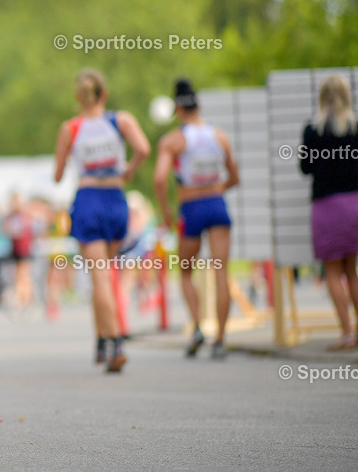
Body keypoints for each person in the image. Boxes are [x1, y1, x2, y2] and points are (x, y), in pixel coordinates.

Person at [54, 69, 150, 372]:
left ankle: (114, 341)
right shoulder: (120, 120)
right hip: (116, 201)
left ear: (77, 98)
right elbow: (144, 149)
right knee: (106, 275)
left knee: (100, 277)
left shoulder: (71, 127)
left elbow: (57, 176)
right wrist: (128, 170)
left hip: (89, 200)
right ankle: (101, 339)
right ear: (103, 94)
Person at [154, 79, 240, 359]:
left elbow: (158, 178)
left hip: (191, 208)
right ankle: (221, 339)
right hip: (217, 205)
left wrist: (166, 211)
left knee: (186, 273)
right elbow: (235, 177)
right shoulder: (220, 136)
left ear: (177, 108)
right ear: (198, 105)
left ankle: (199, 327)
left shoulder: (172, 141)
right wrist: (216, 190)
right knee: (221, 272)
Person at [299, 75, 358, 350]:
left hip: (327, 205)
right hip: (356, 203)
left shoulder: (312, 131)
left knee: (332, 271)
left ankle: (346, 333)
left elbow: (305, 167)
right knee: (353, 270)